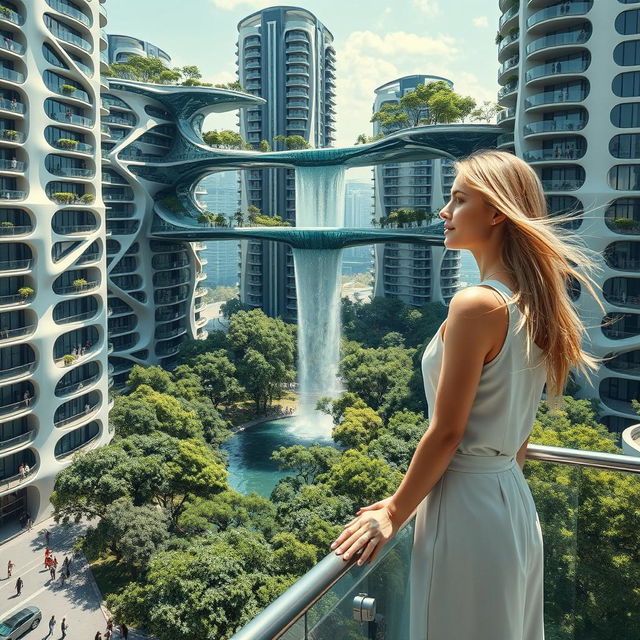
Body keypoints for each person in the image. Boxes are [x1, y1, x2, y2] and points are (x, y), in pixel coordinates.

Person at [330, 150, 606, 640]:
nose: (444, 212)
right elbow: (517, 437)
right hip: (510, 503)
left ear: (497, 211)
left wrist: (394, 512)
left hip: (466, 509)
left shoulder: (477, 303)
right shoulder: (534, 304)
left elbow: (447, 431)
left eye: (458, 200)